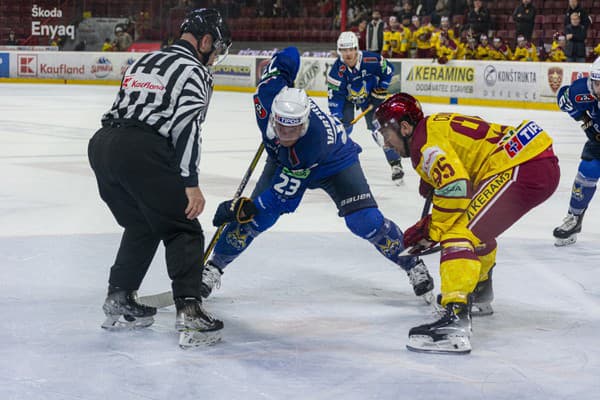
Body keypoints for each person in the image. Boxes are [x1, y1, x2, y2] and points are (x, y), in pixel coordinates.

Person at [201, 47, 434, 305]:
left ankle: (412, 264)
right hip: (283, 160)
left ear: (306, 122)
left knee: (365, 221)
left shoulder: (310, 145)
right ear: (273, 116)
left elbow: (280, 200)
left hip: (336, 160)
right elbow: (290, 53)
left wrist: (243, 208)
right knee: (252, 220)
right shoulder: (267, 94)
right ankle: (214, 267)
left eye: (296, 128)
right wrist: (280, 70)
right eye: (282, 127)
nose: (287, 134)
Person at [87, 8, 231, 348]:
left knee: (143, 224)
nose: (215, 54)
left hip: (103, 145)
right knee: (183, 228)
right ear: (205, 40)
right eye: (216, 45)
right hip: (142, 150)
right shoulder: (196, 72)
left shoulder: (143, 61)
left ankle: (119, 296)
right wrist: (190, 182)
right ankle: (190, 311)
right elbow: (186, 128)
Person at [373, 93, 559, 354]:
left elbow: (456, 187)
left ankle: (455, 319)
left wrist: (432, 228)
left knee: (457, 233)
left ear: (404, 127)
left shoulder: (424, 144)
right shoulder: (435, 124)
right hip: (530, 158)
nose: (386, 144)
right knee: (475, 228)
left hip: (522, 165)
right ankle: (479, 291)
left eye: (385, 134)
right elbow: (469, 160)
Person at [327, 31, 405, 184]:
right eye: (343, 50)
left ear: (356, 49)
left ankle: (396, 165)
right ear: (339, 51)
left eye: (350, 49)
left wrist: (381, 88)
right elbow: (335, 98)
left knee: (380, 131)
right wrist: (337, 117)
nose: (348, 54)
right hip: (348, 100)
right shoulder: (336, 72)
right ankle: (334, 166)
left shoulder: (371, 59)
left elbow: (388, 70)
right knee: (342, 131)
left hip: (371, 98)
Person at [553, 57, 600, 246]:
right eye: (597, 84)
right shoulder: (582, 91)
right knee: (586, 173)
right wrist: (584, 121)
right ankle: (574, 218)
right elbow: (563, 98)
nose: (599, 89)